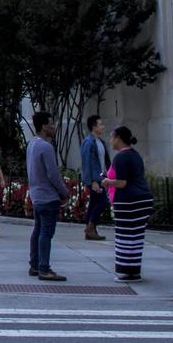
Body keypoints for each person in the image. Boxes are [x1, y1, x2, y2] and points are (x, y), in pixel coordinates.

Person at [102, 125, 153, 281]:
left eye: (112, 137)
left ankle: (126, 271)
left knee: (125, 237)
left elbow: (122, 182)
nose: (110, 141)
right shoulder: (135, 155)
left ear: (118, 138)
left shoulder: (121, 157)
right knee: (135, 238)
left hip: (129, 201)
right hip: (142, 199)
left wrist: (107, 181)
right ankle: (134, 270)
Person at [26, 110, 71, 281]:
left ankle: (35, 265)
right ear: (44, 126)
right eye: (51, 124)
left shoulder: (32, 145)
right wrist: (64, 191)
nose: (54, 127)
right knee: (46, 233)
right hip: (48, 196)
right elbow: (53, 174)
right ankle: (44, 268)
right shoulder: (46, 147)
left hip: (36, 195)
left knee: (37, 230)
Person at [79, 115, 110, 241]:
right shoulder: (88, 142)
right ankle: (90, 227)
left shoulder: (100, 142)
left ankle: (91, 230)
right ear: (94, 126)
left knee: (94, 203)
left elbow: (105, 161)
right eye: (100, 124)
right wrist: (91, 182)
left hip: (102, 177)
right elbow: (86, 163)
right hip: (95, 179)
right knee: (103, 202)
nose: (102, 126)